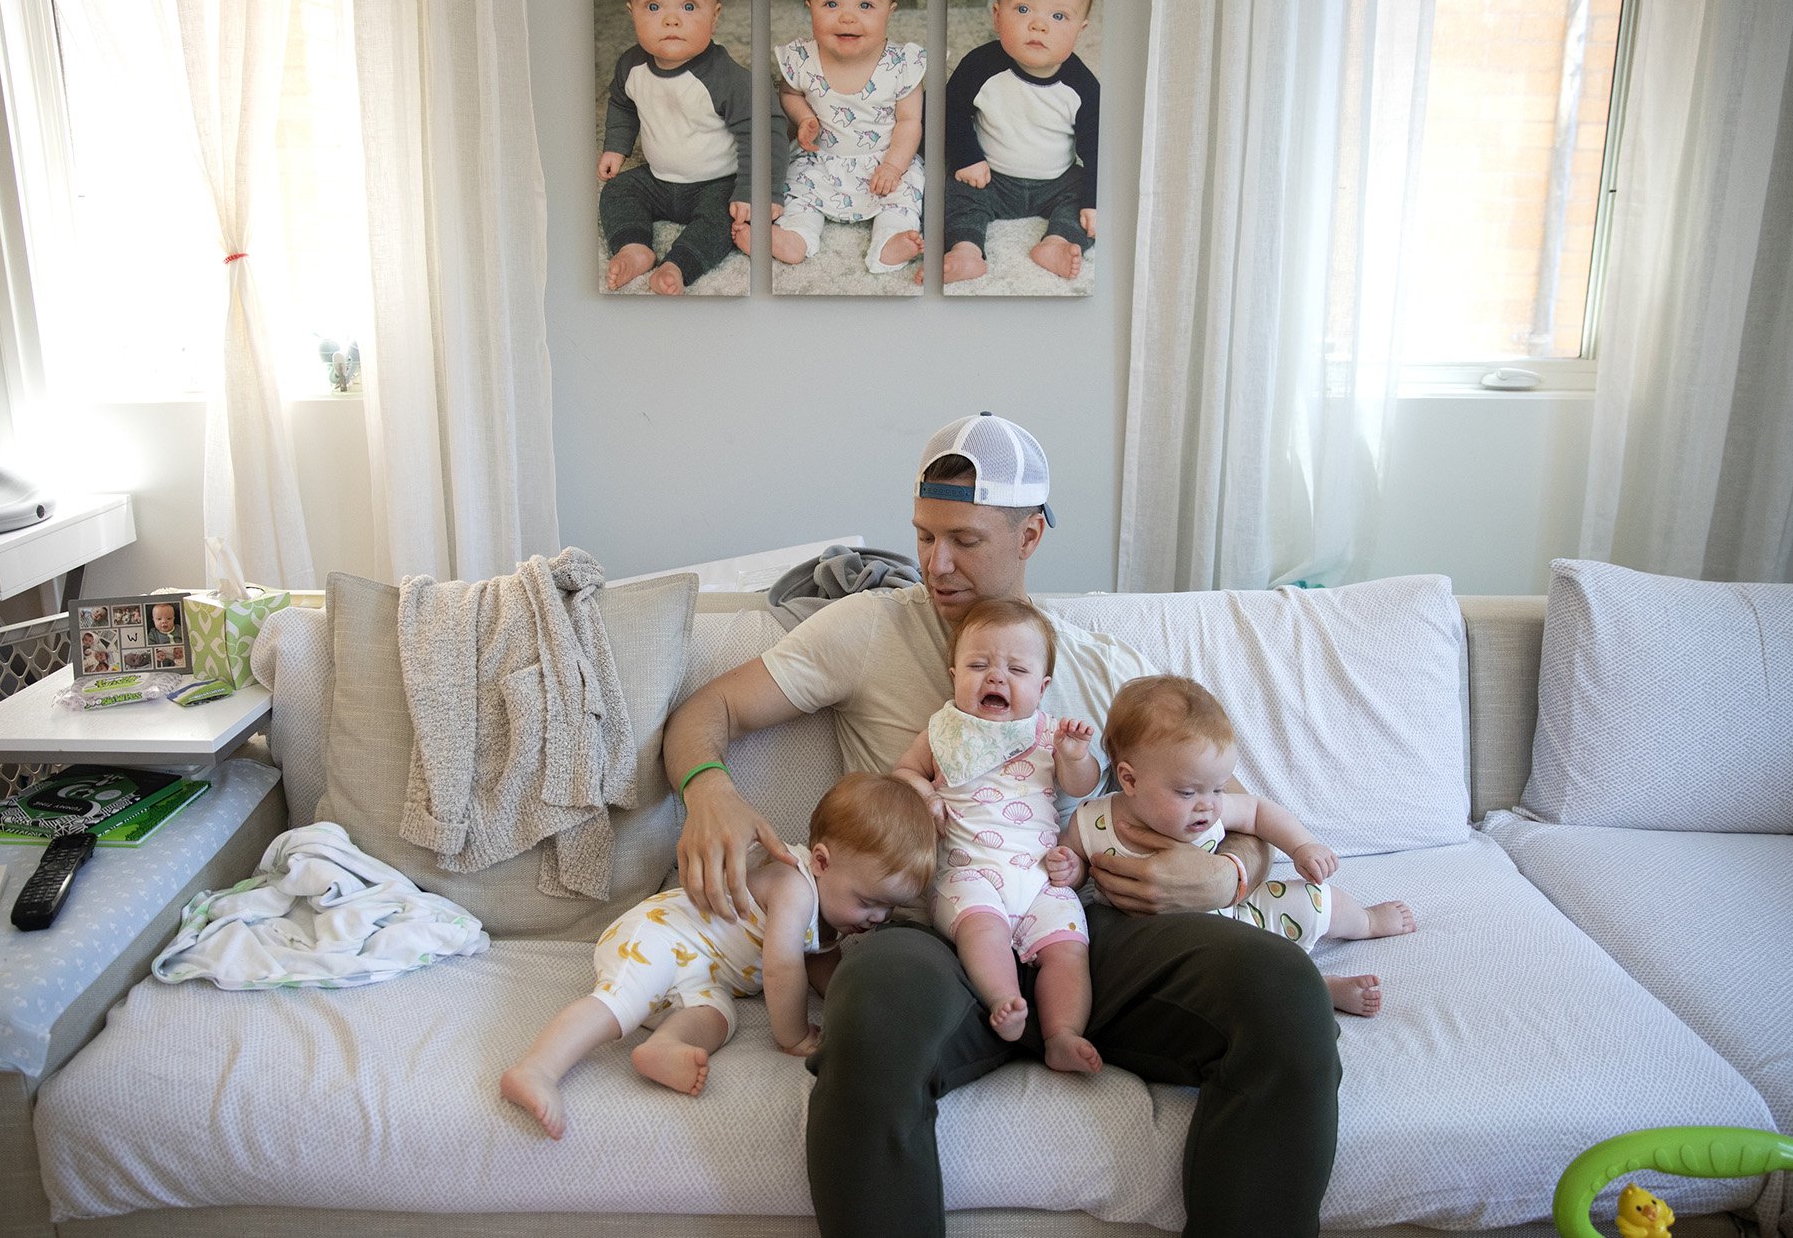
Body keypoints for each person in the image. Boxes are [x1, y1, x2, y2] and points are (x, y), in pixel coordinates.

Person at [662, 410, 1342, 1237]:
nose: (934, 564)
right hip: (926, 930)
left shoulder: (1106, 670)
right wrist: (709, 789)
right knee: (871, 1012)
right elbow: (709, 709)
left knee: (1282, 991)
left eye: (963, 540)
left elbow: (1238, 811)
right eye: (922, 536)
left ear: (1031, 536)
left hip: (1090, 923)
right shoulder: (866, 628)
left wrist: (1230, 870)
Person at [499, 772, 935, 1142]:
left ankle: (665, 1046)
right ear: (820, 861)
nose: (877, 917)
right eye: (868, 901)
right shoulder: (794, 886)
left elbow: (823, 965)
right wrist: (793, 1035)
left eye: (889, 908)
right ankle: (537, 1069)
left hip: (703, 975)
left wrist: (852, 1008)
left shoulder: (830, 912)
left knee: (720, 1015)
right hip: (662, 935)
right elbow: (784, 965)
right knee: (623, 1002)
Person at [1051, 675, 1417, 1017]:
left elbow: (1258, 811)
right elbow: (1076, 861)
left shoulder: (1213, 809)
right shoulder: (1093, 820)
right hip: (1167, 943)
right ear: (1129, 780)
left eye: (1218, 788)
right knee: (1233, 979)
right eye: (1187, 792)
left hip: (1237, 908)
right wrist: (1071, 868)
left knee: (1315, 898)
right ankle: (1320, 988)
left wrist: (1302, 846)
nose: (1208, 805)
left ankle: (1366, 922)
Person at [893, 596, 1103, 1073]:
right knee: (981, 928)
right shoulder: (944, 731)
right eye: (978, 664)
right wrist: (924, 794)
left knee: (1070, 949)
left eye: (1017, 669)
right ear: (953, 676)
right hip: (968, 876)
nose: (996, 677)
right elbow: (904, 771)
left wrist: (1073, 756)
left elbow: (1081, 786)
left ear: (1043, 687)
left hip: (1039, 878)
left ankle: (1062, 1033)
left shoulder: (1049, 733)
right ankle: (1005, 1001)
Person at [598, 0, 765, 296]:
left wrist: (747, 190)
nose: (671, 20)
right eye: (654, 7)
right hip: (657, 180)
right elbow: (622, 103)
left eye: (689, 7)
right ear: (632, 13)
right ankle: (634, 247)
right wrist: (616, 146)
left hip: (715, 182)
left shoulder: (726, 78)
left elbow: (755, 131)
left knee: (727, 219)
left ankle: (679, 264)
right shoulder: (631, 66)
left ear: (715, 15)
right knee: (617, 191)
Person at [943, 0, 1102, 286]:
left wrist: (1093, 202)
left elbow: (1097, 151)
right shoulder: (979, 67)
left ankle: (1058, 242)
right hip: (990, 177)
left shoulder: (1083, 87)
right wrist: (967, 158)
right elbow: (948, 111)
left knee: (1090, 204)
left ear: (1080, 30)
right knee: (949, 189)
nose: (1038, 25)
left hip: (1057, 182)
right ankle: (966, 249)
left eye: (1058, 16)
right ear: (998, 17)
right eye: (1023, 9)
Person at [770, 0, 928, 277]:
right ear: (809, 5)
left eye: (866, 6)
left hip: (882, 165)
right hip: (820, 161)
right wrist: (803, 117)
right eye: (831, 4)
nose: (847, 18)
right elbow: (790, 93)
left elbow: (910, 121)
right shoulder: (803, 59)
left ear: (890, 10)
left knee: (906, 196)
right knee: (795, 188)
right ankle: (795, 236)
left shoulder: (902, 64)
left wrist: (894, 166)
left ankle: (892, 239)